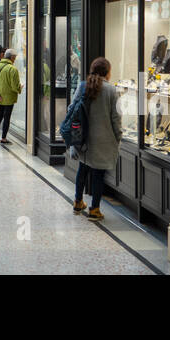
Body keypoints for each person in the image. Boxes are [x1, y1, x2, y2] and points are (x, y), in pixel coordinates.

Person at [72, 56, 122, 222]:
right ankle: (95, 209)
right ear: (107, 72)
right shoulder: (111, 90)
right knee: (98, 175)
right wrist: (118, 137)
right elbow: (116, 118)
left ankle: (78, 202)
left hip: (83, 138)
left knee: (82, 169)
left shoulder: (82, 86)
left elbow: (71, 109)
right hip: (103, 140)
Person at [0, 48, 22, 144]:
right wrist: (20, 88)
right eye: (14, 57)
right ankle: (3, 138)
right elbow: (14, 86)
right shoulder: (13, 69)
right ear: (12, 57)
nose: (15, 59)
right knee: (7, 118)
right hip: (9, 98)